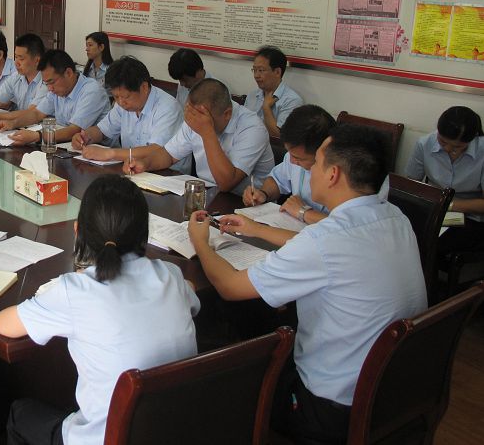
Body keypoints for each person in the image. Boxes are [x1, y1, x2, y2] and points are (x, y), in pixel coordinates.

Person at [188, 125, 427, 444]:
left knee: (224, 367)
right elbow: (324, 245)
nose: (309, 170)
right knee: (267, 316)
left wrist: (200, 242)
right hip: (395, 386)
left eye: (315, 164)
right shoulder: (395, 218)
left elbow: (230, 287)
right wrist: (256, 228)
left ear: (333, 175)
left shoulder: (325, 240)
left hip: (329, 407)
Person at [0, 175, 199, 445]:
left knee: (20, 414)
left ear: (78, 230)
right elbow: (191, 291)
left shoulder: (76, 290)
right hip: (175, 432)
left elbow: (4, 324)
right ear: (144, 233)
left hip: (106, 439)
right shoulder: (170, 276)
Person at [126, 78, 273, 194]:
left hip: (246, 203)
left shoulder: (253, 128)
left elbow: (226, 183)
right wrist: (145, 164)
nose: (195, 122)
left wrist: (207, 132)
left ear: (227, 114)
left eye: (204, 119)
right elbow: (169, 155)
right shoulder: (197, 115)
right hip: (208, 193)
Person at [234, 105, 336, 246]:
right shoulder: (293, 156)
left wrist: (303, 212)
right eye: (291, 154)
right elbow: (277, 180)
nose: (292, 161)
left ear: (323, 151)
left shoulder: (348, 177)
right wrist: (263, 193)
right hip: (294, 234)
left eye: (299, 158)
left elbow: (348, 229)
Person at [70, 56, 184, 169]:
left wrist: (110, 153)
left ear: (144, 87)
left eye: (126, 97)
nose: (120, 102)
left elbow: (157, 151)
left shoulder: (168, 107)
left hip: (167, 174)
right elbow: (102, 130)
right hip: (132, 169)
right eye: (116, 97)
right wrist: (85, 137)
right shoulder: (123, 104)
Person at [406, 106, 484, 251]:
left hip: (469, 218)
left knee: (432, 243)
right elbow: (411, 185)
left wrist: (449, 205)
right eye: (442, 141)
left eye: (457, 146)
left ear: (473, 138)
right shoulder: (425, 144)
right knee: (404, 234)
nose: (447, 149)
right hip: (433, 211)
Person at [0, 49, 110, 146]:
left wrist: (37, 136)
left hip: (99, 152)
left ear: (68, 73)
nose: (50, 88)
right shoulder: (57, 90)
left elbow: (74, 130)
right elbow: (37, 114)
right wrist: (13, 123)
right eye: (46, 83)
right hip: (65, 146)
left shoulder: (91, 90)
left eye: (52, 82)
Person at [244, 46, 303, 138]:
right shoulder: (253, 95)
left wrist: (266, 108)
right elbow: (242, 123)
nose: (256, 75)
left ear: (277, 72)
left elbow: (280, 136)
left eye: (261, 70)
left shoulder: (292, 100)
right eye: (254, 70)